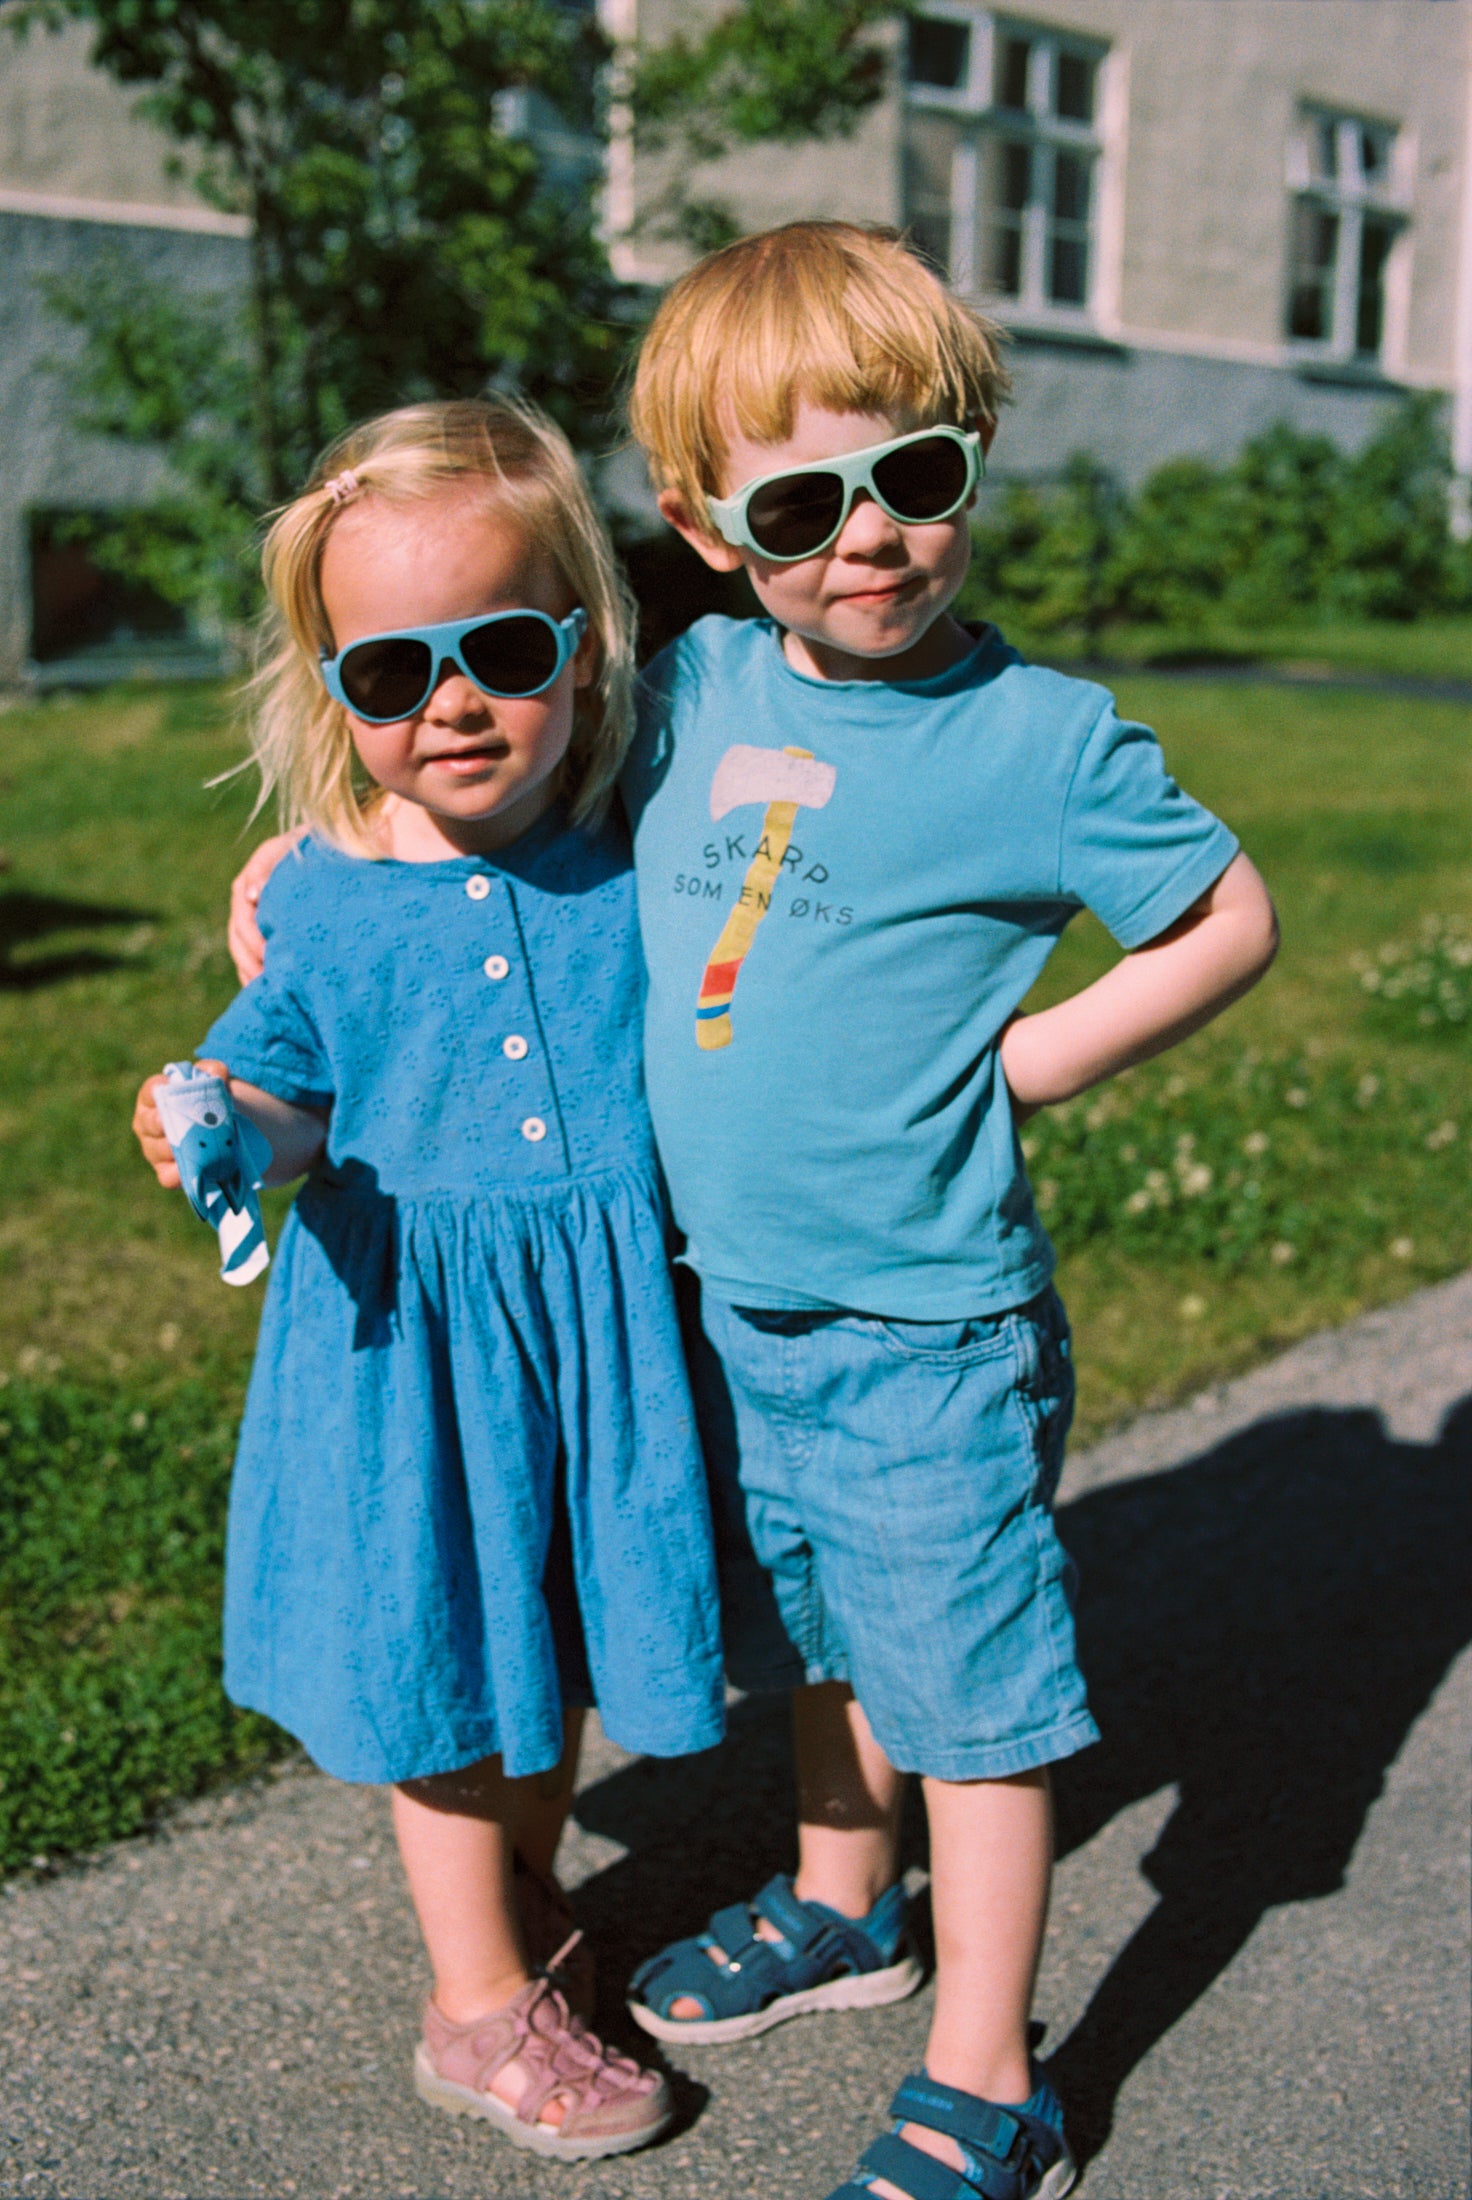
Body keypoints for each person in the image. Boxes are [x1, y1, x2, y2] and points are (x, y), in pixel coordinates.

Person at [229, 224, 1280, 2200]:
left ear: (971, 456)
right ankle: (843, 1898)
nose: (867, 536)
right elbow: (488, 733)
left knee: (967, 1699)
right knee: (818, 1626)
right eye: (801, 503)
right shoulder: (696, 684)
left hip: (927, 1317)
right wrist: (326, 850)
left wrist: (1035, 1060)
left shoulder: (1040, 738)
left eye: (914, 476)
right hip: (723, 1304)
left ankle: (989, 2075)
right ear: (710, 531)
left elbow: (1229, 913)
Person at [132, 396, 725, 2166]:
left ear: (585, 642)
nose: (452, 702)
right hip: (416, 1361)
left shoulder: (634, 841)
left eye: (502, 650)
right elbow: (288, 1089)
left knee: (548, 1632)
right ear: (334, 692)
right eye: (392, 671)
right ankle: (476, 2006)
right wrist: (217, 1117)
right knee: (450, 1651)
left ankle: (522, 1894)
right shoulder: (321, 900)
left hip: (595, 1340)